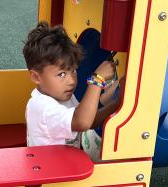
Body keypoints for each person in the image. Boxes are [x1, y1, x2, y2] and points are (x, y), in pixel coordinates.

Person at [23, 22, 124, 161]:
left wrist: (117, 103)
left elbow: (90, 120)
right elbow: (82, 122)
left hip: (66, 165)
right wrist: (97, 79)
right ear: (36, 77)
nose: (71, 80)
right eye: (61, 74)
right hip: (52, 176)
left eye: (73, 70)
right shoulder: (42, 107)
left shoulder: (63, 95)